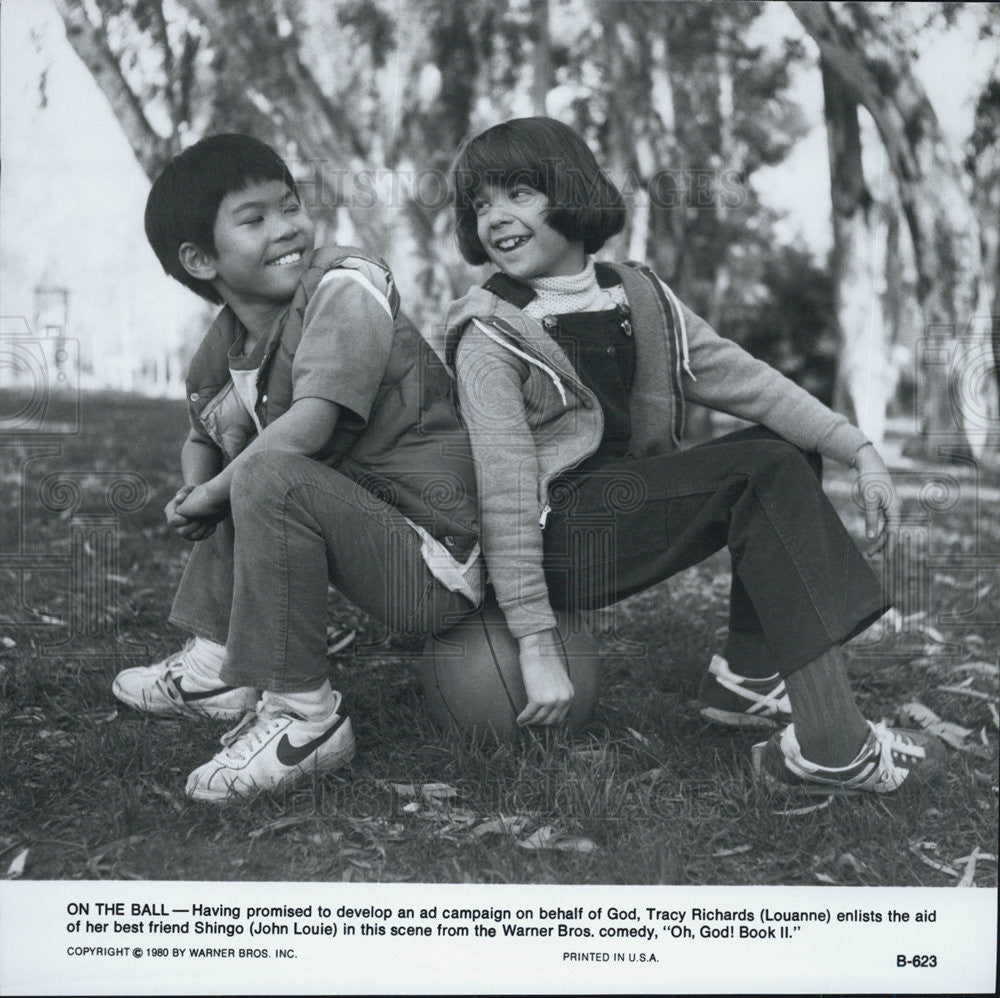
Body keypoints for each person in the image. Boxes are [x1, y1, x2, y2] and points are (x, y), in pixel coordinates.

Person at [438, 116, 944, 794]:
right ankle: (833, 748)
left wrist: (859, 449)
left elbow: (748, 380)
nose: (496, 216)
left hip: (624, 502)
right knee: (759, 473)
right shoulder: (489, 335)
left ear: (573, 192)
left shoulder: (638, 295)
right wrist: (535, 639)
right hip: (555, 540)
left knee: (784, 444)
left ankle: (748, 676)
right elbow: (501, 493)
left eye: (519, 193)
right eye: (481, 204)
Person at [113, 134, 480, 802]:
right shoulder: (225, 346)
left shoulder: (344, 287)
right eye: (254, 219)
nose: (288, 228)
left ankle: (306, 716)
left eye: (289, 206)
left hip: (438, 558)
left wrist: (221, 489)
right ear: (200, 259)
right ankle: (219, 669)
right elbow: (205, 431)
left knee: (266, 470)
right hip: (375, 536)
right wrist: (197, 485)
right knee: (248, 469)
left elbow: (309, 425)